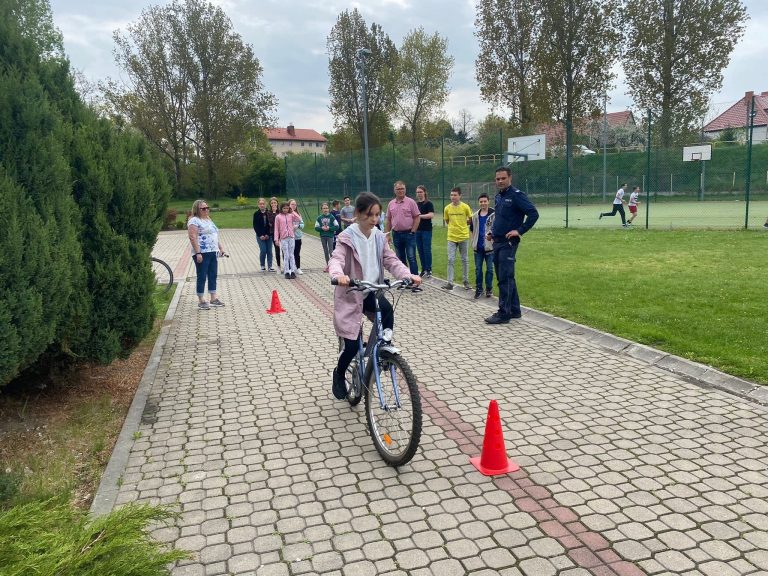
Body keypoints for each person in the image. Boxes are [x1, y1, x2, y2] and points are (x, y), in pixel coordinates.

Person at [327, 192, 422, 399]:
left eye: (378, 215)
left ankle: (381, 351)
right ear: (359, 213)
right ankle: (339, 373)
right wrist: (338, 274)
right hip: (351, 293)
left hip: (371, 289)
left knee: (387, 311)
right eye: (370, 215)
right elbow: (337, 258)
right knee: (351, 346)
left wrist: (407, 275)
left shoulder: (379, 236)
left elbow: (391, 260)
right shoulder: (347, 237)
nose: (374, 219)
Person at [485, 166, 538, 324]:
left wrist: (519, 230)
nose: (500, 181)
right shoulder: (498, 197)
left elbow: (533, 214)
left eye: (503, 178)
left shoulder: (516, 196)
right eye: (497, 179)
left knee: (504, 277)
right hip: (497, 241)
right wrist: (492, 232)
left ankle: (503, 313)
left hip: (508, 242)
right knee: (506, 276)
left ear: (510, 178)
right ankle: (515, 310)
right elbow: (500, 218)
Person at [188, 199, 226, 310]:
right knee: (202, 275)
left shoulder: (208, 219)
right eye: (203, 208)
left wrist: (220, 247)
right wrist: (198, 252)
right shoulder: (194, 221)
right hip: (202, 252)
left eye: (207, 208)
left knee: (213, 274)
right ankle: (201, 300)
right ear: (197, 209)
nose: (206, 210)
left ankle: (213, 298)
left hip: (213, 251)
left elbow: (214, 235)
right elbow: (192, 237)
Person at [385, 181, 422, 292]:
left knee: (411, 257)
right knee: (400, 259)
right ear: (394, 190)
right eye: (398, 189)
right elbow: (389, 220)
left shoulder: (410, 202)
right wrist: (387, 235)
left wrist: (413, 231)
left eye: (402, 189)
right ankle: (404, 281)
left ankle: (415, 282)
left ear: (405, 190)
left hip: (409, 234)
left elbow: (417, 217)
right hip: (396, 234)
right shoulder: (391, 204)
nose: (401, 191)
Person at [442, 186, 472, 291]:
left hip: (463, 237)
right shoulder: (447, 208)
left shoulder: (465, 207)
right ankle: (449, 282)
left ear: (460, 196)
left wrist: (462, 227)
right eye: (451, 195)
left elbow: (470, 219)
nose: (453, 197)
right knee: (450, 259)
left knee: (465, 259)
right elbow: (447, 221)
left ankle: (466, 281)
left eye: (455, 195)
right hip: (451, 237)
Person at [470, 193, 494, 299]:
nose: (483, 203)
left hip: (490, 247)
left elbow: (498, 227)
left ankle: (489, 288)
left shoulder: (494, 214)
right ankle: (479, 289)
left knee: (489, 269)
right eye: (481, 201)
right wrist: (473, 242)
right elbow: (471, 229)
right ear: (479, 203)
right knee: (478, 269)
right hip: (478, 248)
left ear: (488, 202)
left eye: (485, 201)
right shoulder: (475, 216)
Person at [274, 201, 301, 279]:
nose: (285, 210)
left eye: (287, 208)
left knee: (291, 255)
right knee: (286, 255)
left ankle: (292, 271)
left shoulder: (290, 215)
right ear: (281, 208)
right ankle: (286, 271)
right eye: (284, 208)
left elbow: (299, 218)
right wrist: (276, 239)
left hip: (291, 237)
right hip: (283, 238)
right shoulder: (278, 217)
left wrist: (292, 211)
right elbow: (276, 229)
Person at [415, 185, 434, 278]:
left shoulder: (428, 203)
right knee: (420, 250)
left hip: (426, 230)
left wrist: (419, 216)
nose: (419, 194)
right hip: (417, 230)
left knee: (427, 250)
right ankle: (423, 269)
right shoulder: (415, 204)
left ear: (424, 193)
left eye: (420, 192)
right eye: (418, 192)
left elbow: (431, 215)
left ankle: (429, 269)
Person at [252, 198, 274, 271]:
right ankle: (262, 265)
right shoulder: (256, 214)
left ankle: (270, 266)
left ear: (266, 204)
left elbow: (270, 224)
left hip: (269, 235)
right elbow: (255, 226)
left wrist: (268, 234)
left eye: (263, 204)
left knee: (269, 251)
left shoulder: (269, 213)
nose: (262, 205)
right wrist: (260, 235)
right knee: (263, 250)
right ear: (258, 205)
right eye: (260, 204)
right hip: (260, 236)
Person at [289, 199, 305, 274]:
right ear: (289, 205)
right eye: (292, 204)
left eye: (295, 204)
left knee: (297, 253)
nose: (293, 206)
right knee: (290, 253)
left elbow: (302, 224)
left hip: (298, 237)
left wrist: (297, 226)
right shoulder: (287, 214)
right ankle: (291, 267)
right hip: (289, 237)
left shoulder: (298, 214)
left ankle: (298, 267)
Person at [268, 197, 281, 270]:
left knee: (284, 250)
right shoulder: (269, 212)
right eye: (272, 203)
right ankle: (278, 266)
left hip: (282, 233)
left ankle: (286, 266)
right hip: (274, 233)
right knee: (277, 250)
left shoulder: (281, 211)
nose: (273, 204)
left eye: (275, 203)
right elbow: (272, 222)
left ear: (277, 203)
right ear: (270, 204)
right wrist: (274, 212)